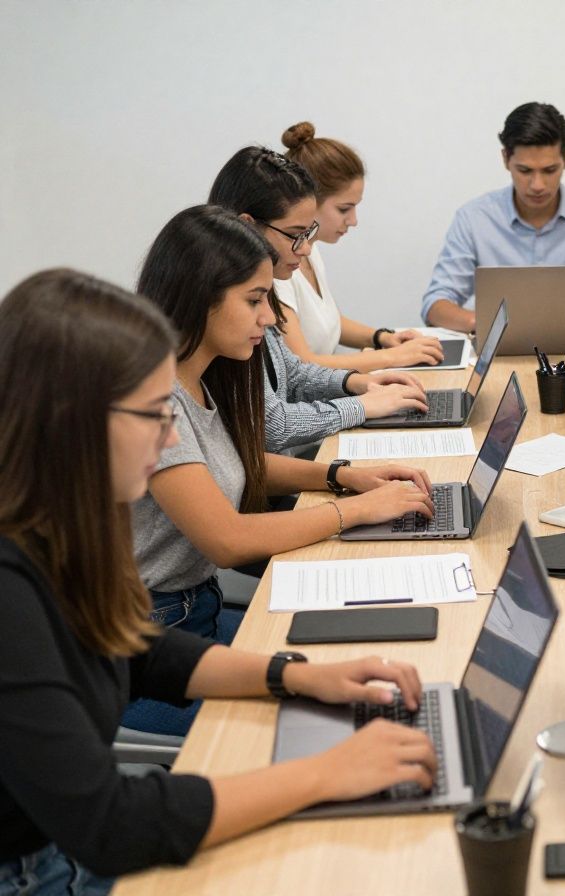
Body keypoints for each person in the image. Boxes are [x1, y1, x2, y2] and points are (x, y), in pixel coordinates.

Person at [0, 269, 436, 893]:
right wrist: (325, 773)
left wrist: (293, 675)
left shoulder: (57, 524)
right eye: (155, 415)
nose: (173, 437)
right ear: (73, 419)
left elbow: (133, 647)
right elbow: (110, 824)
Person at [126, 206, 434, 736]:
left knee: (354, 668)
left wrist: (342, 475)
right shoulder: (158, 400)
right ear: (200, 296)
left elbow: (235, 467)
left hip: (197, 615)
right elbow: (227, 539)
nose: (269, 318)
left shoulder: (203, 376)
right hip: (155, 644)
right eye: (254, 300)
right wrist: (353, 510)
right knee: (329, 720)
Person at [209, 145, 431, 453]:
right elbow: (273, 426)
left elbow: (294, 373)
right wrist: (362, 405)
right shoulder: (224, 304)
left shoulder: (259, 287)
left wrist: (355, 383)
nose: (307, 248)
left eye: (309, 233)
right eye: (296, 235)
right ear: (248, 227)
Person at [420, 101, 565, 331]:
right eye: (525, 171)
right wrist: (486, 325)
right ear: (505, 160)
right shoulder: (474, 218)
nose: (538, 185)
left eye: (550, 170)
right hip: (498, 349)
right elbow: (436, 303)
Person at [275, 121, 445, 369]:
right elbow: (303, 364)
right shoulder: (279, 270)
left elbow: (326, 321)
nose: (353, 221)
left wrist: (383, 338)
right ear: (308, 201)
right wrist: (393, 357)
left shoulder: (310, 250)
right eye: (344, 209)